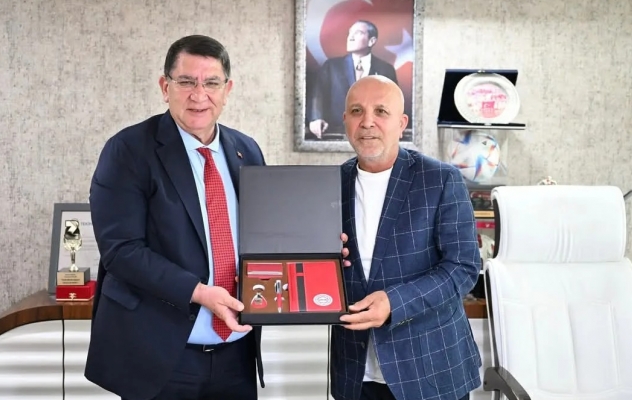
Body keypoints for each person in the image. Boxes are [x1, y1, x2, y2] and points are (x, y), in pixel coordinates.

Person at [84, 34, 266, 400]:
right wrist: (199, 293)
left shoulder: (247, 151)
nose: (199, 95)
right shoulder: (128, 150)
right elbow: (121, 250)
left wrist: (319, 253)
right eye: (186, 82)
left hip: (236, 356)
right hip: (160, 357)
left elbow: (266, 235)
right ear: (165, 87)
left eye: (211, 83)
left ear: (227, 90)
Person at [330, 75, 482, 400]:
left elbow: (463, 267)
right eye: (356, 111)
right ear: (345, 120)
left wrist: (394, 303)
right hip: (355, 372)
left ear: (401, 124)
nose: (367, 122)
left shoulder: (441, 179)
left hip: (430, 371)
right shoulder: (331, 184)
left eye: (381, 111)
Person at [308, 20, 398, 139]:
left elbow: (393, 102)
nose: (350, 37)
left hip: (371, 134)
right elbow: (318, 94)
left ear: (371, 41)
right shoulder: (332, 66)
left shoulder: (385, 69)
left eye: (358, 33)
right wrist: (316, 118)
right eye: (350, 33)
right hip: (335, 133)